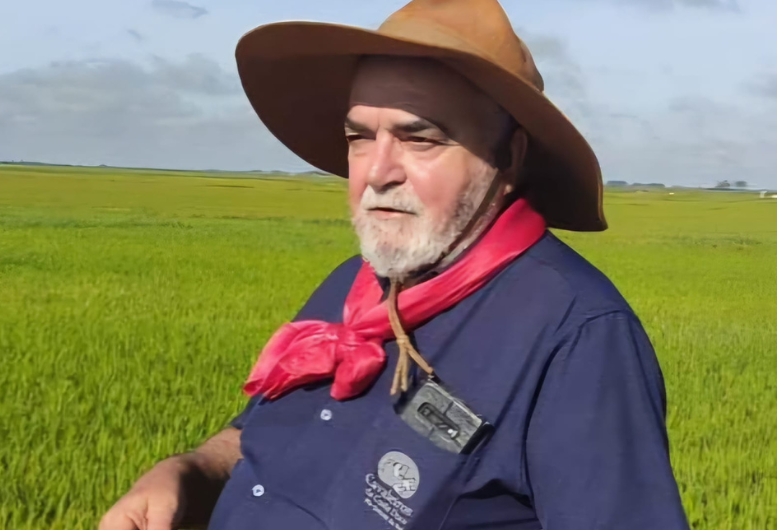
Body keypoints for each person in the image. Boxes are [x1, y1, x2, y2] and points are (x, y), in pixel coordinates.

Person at [100, 0, 691, 529]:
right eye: (360, 137)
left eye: (420, 139)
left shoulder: (576, 336)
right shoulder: (355, 282)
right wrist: (190, 471)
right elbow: (256, 437)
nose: (377, 173)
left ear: (508, 158)